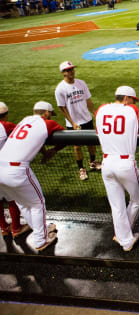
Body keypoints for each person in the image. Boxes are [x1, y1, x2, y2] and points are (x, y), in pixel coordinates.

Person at [0, 101, 64, 251]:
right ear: (46, 113)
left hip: (0, 167)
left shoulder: (24, 120)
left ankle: (41, 229)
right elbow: (61, 133)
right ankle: (41, 240)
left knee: (23, 202)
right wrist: (53, 150)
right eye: (50, 114)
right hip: (17, 170)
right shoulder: (48, 123)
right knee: (38, 203)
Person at [96, 86, 139, 252]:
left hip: (107, 163)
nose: (133, 102)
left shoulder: (101, 109)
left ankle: (124, 236)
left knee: (116, 205)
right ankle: (125, 235)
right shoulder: (132, 110)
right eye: (132, 99)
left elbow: (99, 133)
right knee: (137, 199)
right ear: (126, 98)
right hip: (126, 164)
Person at [55, 61, 101, 181]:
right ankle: (81, 169)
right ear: (63, 73)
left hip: (87, 118)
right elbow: (62, 108)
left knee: (91, 142)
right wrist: (73, 123)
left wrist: (95, 114)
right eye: (69, 70)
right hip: (74, 123)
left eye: (72, 69)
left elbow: (88, 101)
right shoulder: (60, 89)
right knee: (77, 146)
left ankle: (93, 162)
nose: (72, 71)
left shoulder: (81, 83)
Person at [0, 102, 31, 238]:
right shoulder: (5, 126)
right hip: (4, 170)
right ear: (6, 115)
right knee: (12, 199)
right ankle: (16, 228)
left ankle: (4, 227)